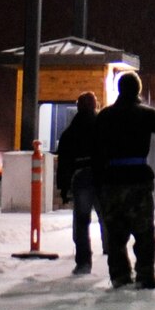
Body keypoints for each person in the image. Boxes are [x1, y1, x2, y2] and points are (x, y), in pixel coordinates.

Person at [91, 72, 155, 289]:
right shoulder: (144, 114)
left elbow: (96, 151)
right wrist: (146, 108)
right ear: (137, 90)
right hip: (137, 180)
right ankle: (145, 275)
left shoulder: (105, 116)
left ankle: (119, 276)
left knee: (115, 233)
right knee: (144, 232)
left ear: (119, 89)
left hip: (111, 181)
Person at [55, 91, 107, 276]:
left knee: (82, 220)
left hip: (80, 176)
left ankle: (84, 262)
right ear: (95, 105)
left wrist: (63, 187)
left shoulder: (71, 131)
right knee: (105, 216)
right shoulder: (103, 126)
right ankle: (110, 249)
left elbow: (64, 161)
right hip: (101, 176)